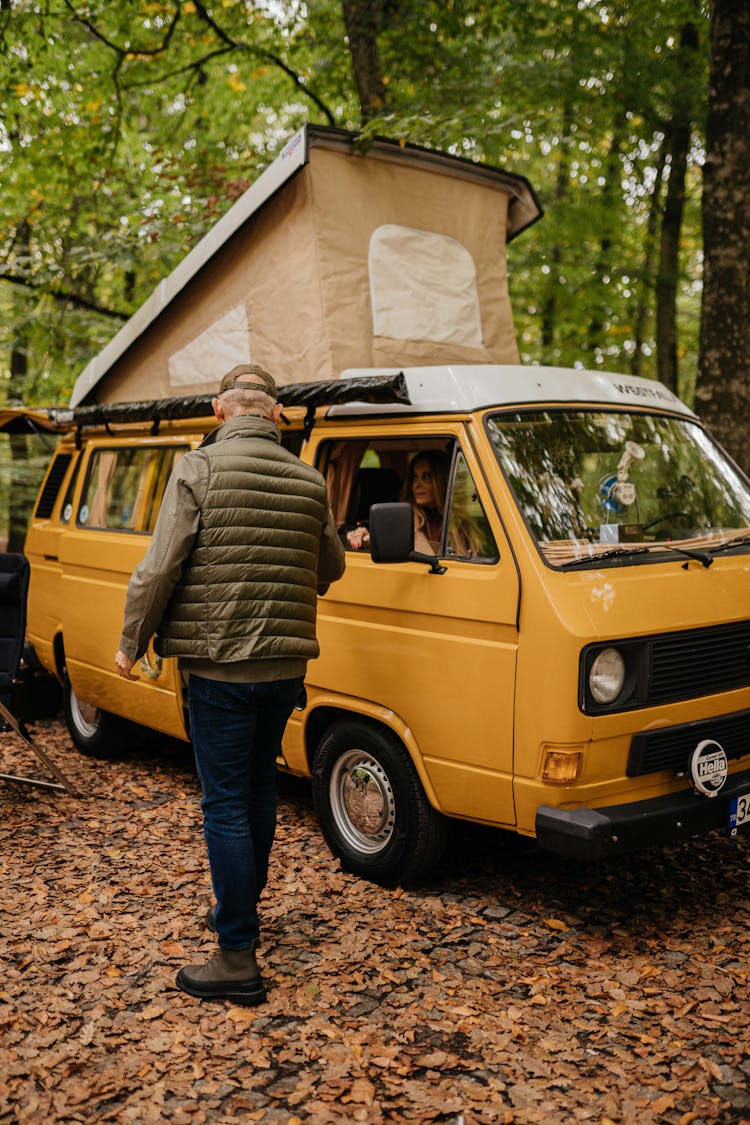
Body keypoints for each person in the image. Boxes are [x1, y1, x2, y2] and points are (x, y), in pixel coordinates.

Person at [114, 364, 345, 1007]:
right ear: (273, 414)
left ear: (220, 410)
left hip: (218, 666)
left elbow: (159, 568)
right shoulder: (309, 479)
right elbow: (331, 567)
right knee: (258, 790)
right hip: (285, 670)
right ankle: (239, 911)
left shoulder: (198, 469)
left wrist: (131, 643)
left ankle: (237, 955)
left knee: (223, 803)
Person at [346, 450, 450, 555]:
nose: (417, 485)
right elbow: (385, 539)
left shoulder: (456, 522)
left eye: (426, 477)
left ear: (442, 481)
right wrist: (366, 538)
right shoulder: (403, 519)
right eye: (414, 477)